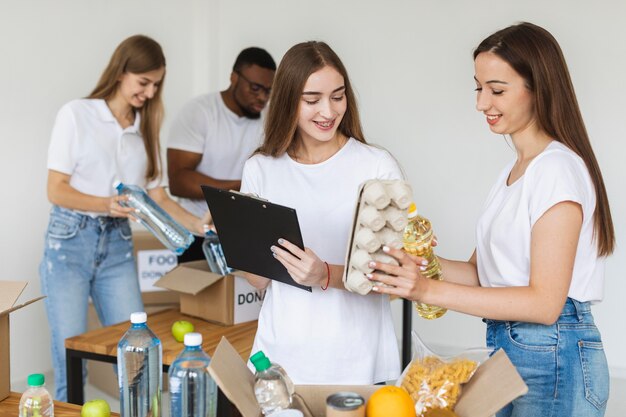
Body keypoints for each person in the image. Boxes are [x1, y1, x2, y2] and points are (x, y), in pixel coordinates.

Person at [371, 22, 614, 417]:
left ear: (539, 88)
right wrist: (421, 266)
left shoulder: (556, 170)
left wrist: (427, 291)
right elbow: (481, 273)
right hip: (515, 349)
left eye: (497, 90)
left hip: (553, 353)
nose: (482, 104)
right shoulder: (514, 173)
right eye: (478, 88)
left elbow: (544, 303)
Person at [40, 35, 210, 401]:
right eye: (143, 82)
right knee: (71, 352)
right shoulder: (77, 114)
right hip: (69, 242)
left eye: (156, 85)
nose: (149, 93)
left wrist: (199, 225)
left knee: (138, 354)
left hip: (116, 244)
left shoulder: (145, 129)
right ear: (121, 72)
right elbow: (56, 189)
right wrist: (105, 203)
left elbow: (158, 195)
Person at [240, 41, 402, 385]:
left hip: (357, 359)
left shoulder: (375, 166)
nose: (328, 111)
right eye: (312, 100)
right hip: (281, 359)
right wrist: (237, 242)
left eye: (338, 96)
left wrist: (324, 274)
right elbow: (258, 279)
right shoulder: (261, 168)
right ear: (287, 100)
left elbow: (394, 279)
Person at [167, 47, 276, 263]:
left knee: (245, 297)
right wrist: (240, 187)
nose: (262, 97)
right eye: (255, 88)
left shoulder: (270, 119)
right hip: (198, 231)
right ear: (234, 78)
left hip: (247, 233)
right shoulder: (200, 112)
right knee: (201, 297)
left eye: (268, 90)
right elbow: (178, 181)